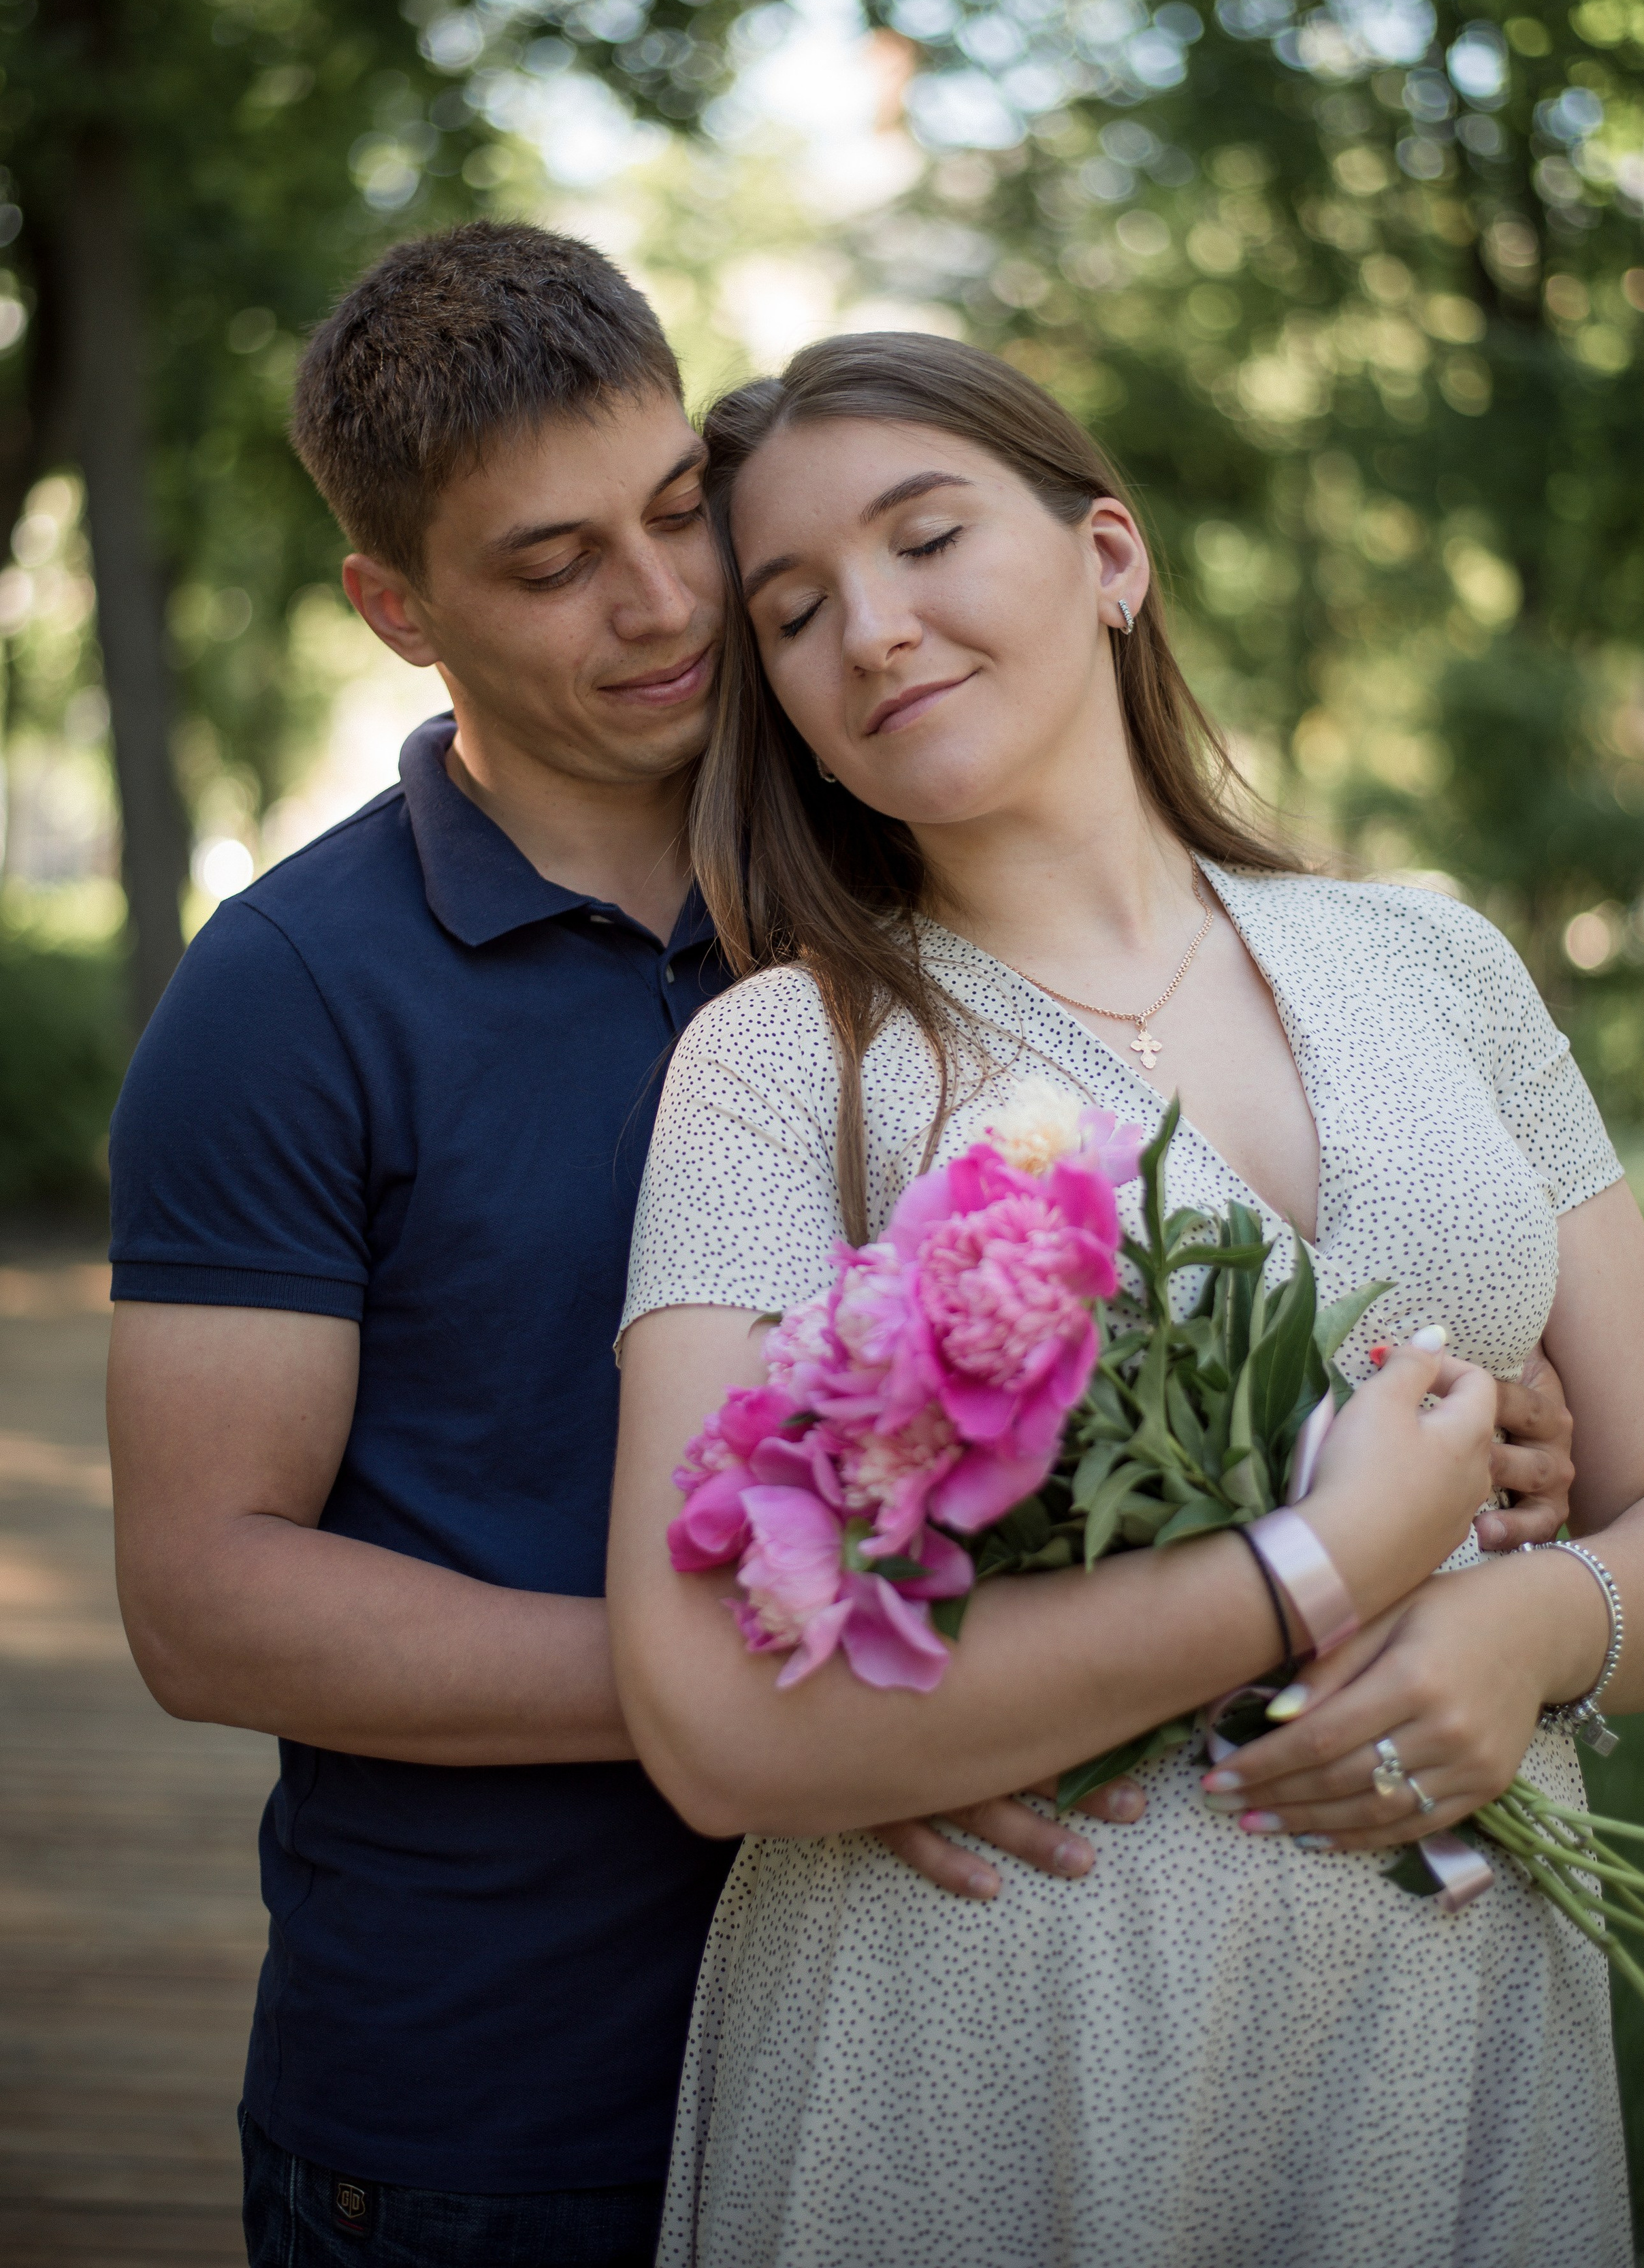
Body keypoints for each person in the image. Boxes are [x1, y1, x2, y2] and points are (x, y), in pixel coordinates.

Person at [609, 333, 1644, 2268]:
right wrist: (1311, 1567)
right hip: (991, 2031)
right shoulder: (781, 1059)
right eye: (794, 613)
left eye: (928, 537)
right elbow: (711, 1722)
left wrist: (1537, 1628)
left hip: (1441, 2009)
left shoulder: (1434, 958)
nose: (870, 629)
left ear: (1111, 557)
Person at [103, 227, 1140, 2268]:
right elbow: (208, 1599)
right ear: (396, 609)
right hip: (500, 2100)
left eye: (678, 509)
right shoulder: (290, 993)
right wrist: (799, 1698)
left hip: (947, 2041)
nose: (664, 603)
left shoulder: (894, 881)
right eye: (550, 561)